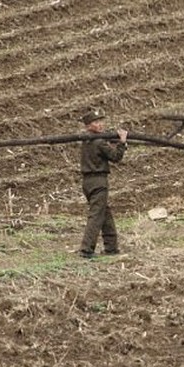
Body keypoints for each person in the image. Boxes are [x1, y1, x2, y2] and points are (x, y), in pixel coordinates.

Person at [78, 110, 127, 258]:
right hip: (99, 181)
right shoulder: (99, 142)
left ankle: (111, 247)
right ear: (88, 126)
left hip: (88, 182)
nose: (100, 125)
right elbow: (116, 157)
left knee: (105, 214)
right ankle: (86, 250)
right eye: (96, 122)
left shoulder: (86, 140)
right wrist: (122, 142)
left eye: (101, 121)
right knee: (96, 216)